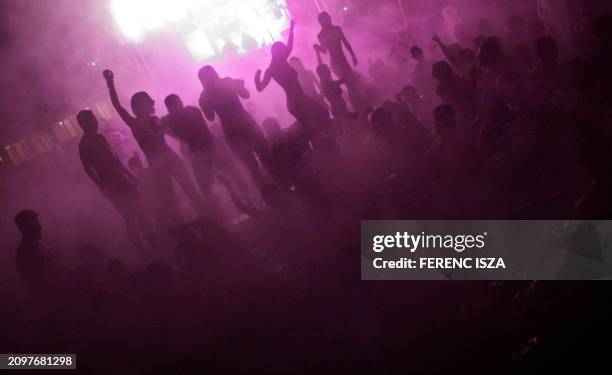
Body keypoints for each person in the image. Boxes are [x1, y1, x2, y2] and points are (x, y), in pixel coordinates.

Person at [103, 70, 206, 225]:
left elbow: (171, 134)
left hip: (166, 160)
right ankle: (187, 229)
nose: (152, 103)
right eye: (148, 101)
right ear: (140, 105)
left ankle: (206, 219)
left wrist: (188, 142)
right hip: (160, 164)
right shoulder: (135, 123)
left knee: (187, 192)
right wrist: (110, 83)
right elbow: (117, 106)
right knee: (171, 200)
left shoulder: (153, 120)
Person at [77, 110, 153, 254]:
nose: (95, 121)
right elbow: (102, 164)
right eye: (92, 119)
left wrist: (101, 183)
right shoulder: (90, 142)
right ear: (84, 124)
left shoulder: (90, 141)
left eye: (94, 118)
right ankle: (146, 244)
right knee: (133, 212)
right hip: (113, 181)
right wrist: (101, 183)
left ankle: (146, 244)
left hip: (112, 181)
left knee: (133, 212)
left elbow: (105, 163)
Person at [255, 20, 332, 144]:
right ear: (279, 53)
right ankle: (321, 151)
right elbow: (260, 88)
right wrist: (256, 78)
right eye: (283, 50)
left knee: (320, 118)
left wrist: (291, 28)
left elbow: (289, 45)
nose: (286, 51)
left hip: (299, 100)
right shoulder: (274, 68)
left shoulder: (277, 65)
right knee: (316, 124)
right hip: (297, 102)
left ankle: (325, 146)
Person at [198, 65, 273, 186]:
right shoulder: (219, 87)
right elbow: (211, 117)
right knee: (258, 163)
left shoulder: (213, 90)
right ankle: (275, 190)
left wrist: (240, 87)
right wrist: (205, 105)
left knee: (260, 162)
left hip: (237, 128)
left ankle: (275, 189)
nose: (208, 80)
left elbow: (245, 94)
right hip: (239, 128)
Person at [160, 94, 216, 201]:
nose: (180, 104)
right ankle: (214, 205)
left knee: (215, 180)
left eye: (179, 103)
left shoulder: (190, 112)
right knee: (205, 185)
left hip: (206, 149)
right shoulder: (175, 117)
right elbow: (161, 128)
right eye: (177, 104)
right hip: (200, 151)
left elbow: (200, 131)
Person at [314, 12, 366, 112]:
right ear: (320, 22)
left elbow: (345, 42)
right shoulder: (321, 35)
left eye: (327, 18)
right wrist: (318, 48)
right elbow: (325, 51)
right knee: (349, 85)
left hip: (343, 60)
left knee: (353, 84)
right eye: (323, 20)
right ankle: (358, 108)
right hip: (335, 63)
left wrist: (353, 55)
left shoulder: (336, 29)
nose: (326, 21)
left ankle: (360, 106)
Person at [14, 210, 58, 300]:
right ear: (28, 228)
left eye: (38, 222)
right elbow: (40, 284)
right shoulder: (27, 252)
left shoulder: (36, 245)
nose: (40, 226)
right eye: (36, 223)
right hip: (48, 301)